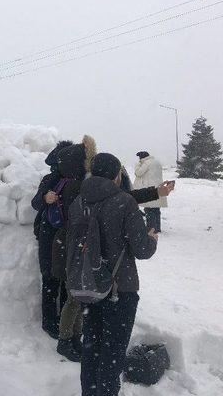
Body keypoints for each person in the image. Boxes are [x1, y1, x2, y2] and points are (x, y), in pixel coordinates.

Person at [70, 153, 158, 396]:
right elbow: (141, 250)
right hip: (119, 290)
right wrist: (151, 240)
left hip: (89, 287)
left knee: (91, 350)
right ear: (117, 175)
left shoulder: (78, 201)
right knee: (112, 356)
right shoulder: (124, 202)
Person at [49, 135, 96, 361]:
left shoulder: (69, 183)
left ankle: (75, 337)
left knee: (77, 295)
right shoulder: (78, 187)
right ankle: (65, 340)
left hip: (68, 245)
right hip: (71, 248)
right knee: (74, 297)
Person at [31, 140, 73, 339]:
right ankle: (49, 322)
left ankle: (66, 321)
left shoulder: (78, 178)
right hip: (49, 235)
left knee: (68, 280)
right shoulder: (50, 178)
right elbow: (35, 202)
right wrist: (45, 198)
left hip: (70, 236)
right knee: (50, 278)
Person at [134, 151, 167, 232]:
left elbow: (138, 173)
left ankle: (151, 229)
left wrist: (138, 164)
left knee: (149, 209)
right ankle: (157, 228)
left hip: (149, 188)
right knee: (156, 209)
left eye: (139, 158)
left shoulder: (146, 163)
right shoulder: (156, 162)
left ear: (142, 157)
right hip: (158, 187)